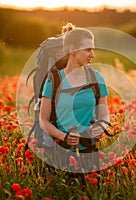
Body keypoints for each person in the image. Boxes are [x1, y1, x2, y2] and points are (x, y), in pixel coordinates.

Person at [39, 23, 109, 182]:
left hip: (89, 152)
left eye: (93, 49)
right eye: (88, 49)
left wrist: (101, 126)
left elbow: (104, 112)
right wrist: (64, 137)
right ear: (72, 50)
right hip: (59, 153)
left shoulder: (96, 78)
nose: (93, 54)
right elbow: (43, 120)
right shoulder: (54, 81)